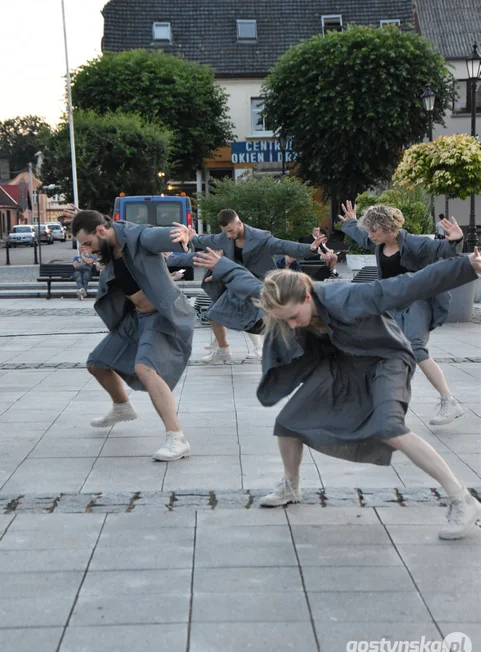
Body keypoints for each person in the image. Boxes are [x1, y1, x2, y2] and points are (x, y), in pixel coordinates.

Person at [198, 248, 481, 539]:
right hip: (345, 363)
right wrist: (222, 264)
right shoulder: (285, 294)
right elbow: (246, 282)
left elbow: (408, 284)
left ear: (307, 296)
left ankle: (463, 499)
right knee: (288, 422)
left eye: (294, 317)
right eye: (286, 322)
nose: (293, 325)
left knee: (390, 427)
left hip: (386, 360)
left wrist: (466, 265)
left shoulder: (346, 297)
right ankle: (291, 486)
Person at [70, 209, 195, 462]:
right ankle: (122, 406)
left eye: (88, 243)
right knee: (97, 363)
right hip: (135, 318)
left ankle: (177, 438)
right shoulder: (109, 247)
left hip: (160, 316)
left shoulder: (140, 238)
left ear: (102, 232)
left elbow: (168, 236)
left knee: (145, 368)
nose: (86, 249)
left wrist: (185, 233)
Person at [339, 202, 465, 426]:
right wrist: (350, 222)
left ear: (387, 227)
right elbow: (362, 237)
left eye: (374, 230)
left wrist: (454, 240)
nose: (370, 235)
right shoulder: (378, 241)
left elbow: (439, 250)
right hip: (391, 304)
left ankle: (449, 402)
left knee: (416, 347)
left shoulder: (414, 243)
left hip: (417, 302)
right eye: (369, 230)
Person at [188, 209, 327, 362]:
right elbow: (206, 240)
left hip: (259, 283)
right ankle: (223, 349)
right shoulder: (224, 237)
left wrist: (309, 248)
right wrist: (192, 237)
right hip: (237, 282)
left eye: (231, 231)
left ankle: (280, 347)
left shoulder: (261, 237)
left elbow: (283, 245)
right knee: (214, 314)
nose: (228, 235)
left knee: (260, 317)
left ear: (239, 223)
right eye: (225, 232)